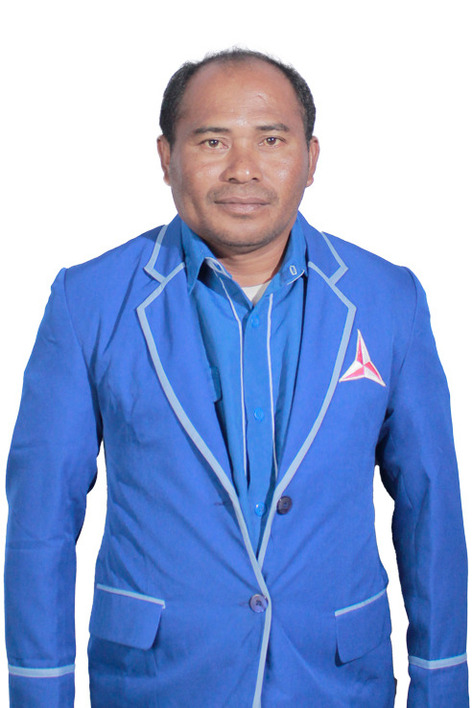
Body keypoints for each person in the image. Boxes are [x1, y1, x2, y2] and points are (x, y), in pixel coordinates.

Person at [4, 48, 468, 707]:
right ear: (166, 157)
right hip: (157, 683)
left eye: (271, 140)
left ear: (311, 158)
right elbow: (41, 521)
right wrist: (38, 694)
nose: (242, 168)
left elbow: (430, 507)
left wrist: (443, 686)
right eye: (212, 141)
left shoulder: (389, 298)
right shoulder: (88, 300)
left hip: (336, 682)